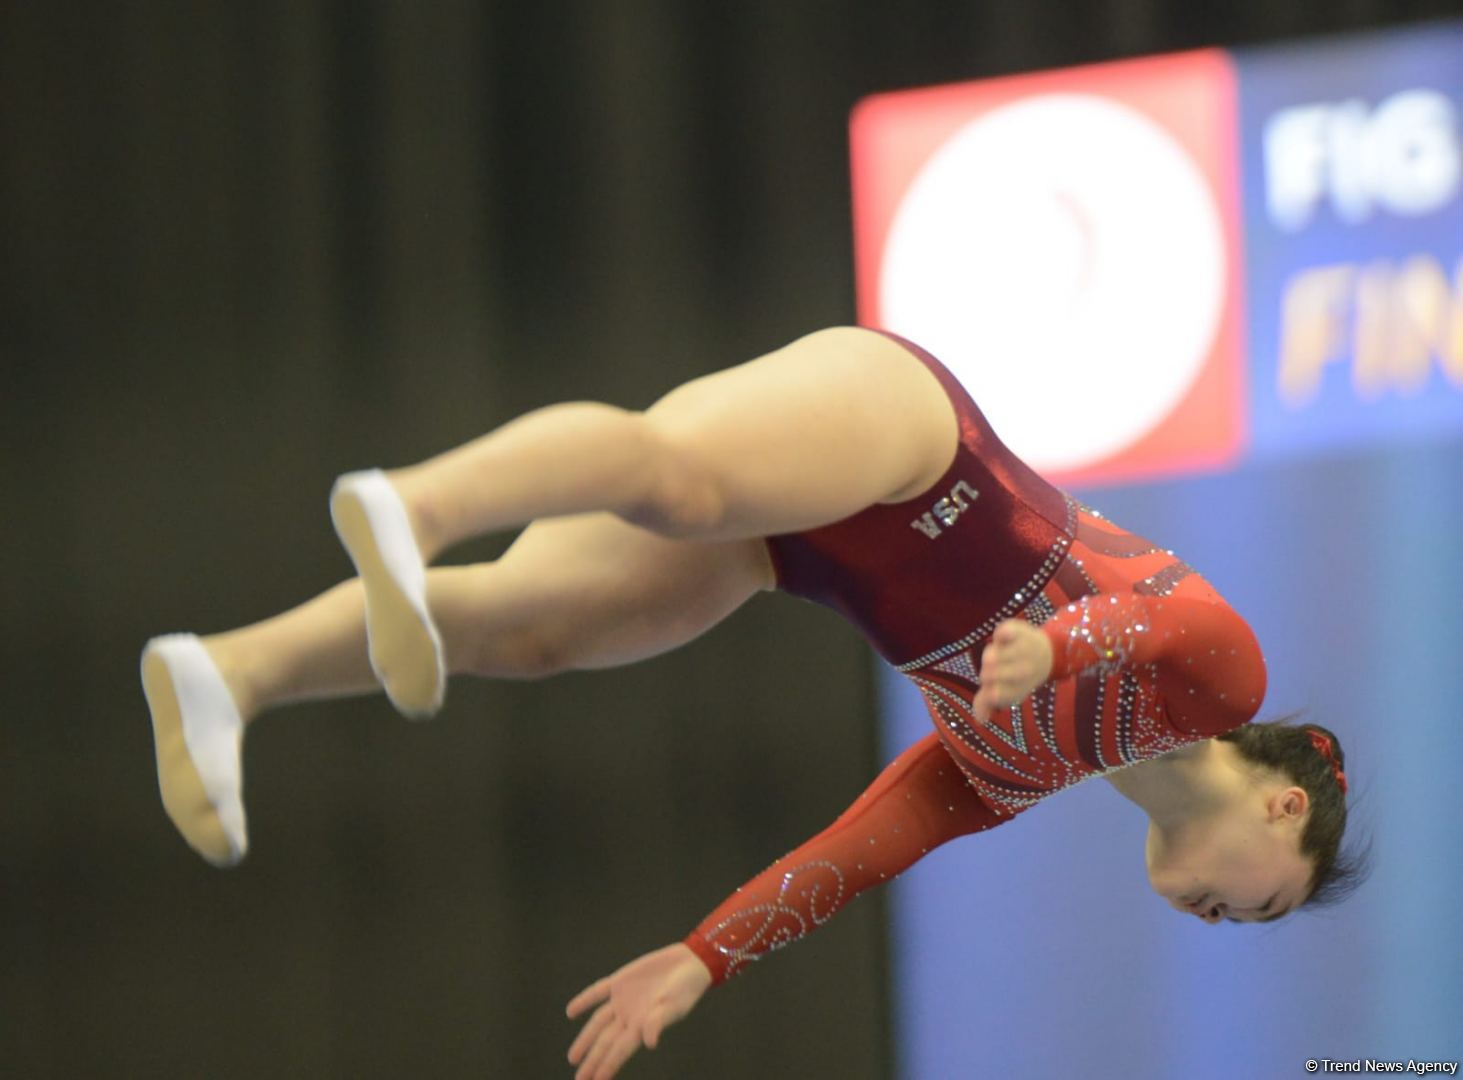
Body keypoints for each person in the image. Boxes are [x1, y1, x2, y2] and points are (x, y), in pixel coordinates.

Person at [139, 326, 1362, 1080]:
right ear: (1276, 807)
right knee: (672, 475)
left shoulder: (1016, 776)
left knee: (533, 630)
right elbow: (1165, 617)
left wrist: (698, 960)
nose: (1230, 922)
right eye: (1267, 908)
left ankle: (229, 676)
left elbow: (856, 850)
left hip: (803, 555)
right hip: (906, 445)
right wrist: (1053, 647)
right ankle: (418, 504)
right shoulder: (1221, 689)